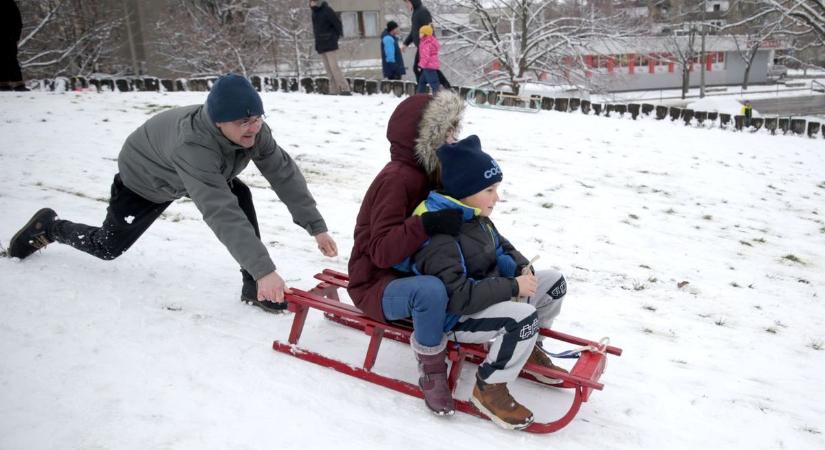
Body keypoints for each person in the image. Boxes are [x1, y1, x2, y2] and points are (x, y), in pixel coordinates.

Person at [6, 74, 338, 313]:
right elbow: (219, 210)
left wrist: (315, 225)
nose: (252, 127)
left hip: (197, 174)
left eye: (256, 118)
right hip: (145, 180)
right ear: (220, 121)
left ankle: (254, 287)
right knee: (107, 247)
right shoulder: (193, 146)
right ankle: (49, 227)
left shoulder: (253, 131)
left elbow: (282, 172)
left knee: (240, 196)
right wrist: (267, 270)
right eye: (242, 122)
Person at [408, 135, 570, 429]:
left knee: (555, 281)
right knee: (522, 318)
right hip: (458, 316)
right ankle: (489, 388)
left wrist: (523, 268)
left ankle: (530, 347)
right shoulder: (439, 230)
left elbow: (502, 248)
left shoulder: (476, 215)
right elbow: (456, 296)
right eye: (490, 189)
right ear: (464, 191)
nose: (497, 197)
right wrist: (512, 287)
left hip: (486, 293)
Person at [347, 90, 466, 416]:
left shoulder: (432, 174)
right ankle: (431, 370)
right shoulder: (397, 179)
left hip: (408, 272)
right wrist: (426, 224)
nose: (454, 139)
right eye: (447, 132)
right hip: (375, 283)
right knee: (431, 291)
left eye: (455, 130)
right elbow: (382, 252)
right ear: (424, 137)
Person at [310, 0, 351, 95]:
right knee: (328, 69)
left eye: (314, 1)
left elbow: (338, 25)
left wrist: (333, 38)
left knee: (334, 67)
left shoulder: (327, 10)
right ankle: (334, 89)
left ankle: (345, 88)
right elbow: (316, 31)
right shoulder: (314, 13)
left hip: (330, 44)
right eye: (311, 1)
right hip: (321, 45)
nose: (312, 3)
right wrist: (317, 44)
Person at [400, 0, 432, 84]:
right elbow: (414, 32)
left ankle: (422, 91)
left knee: (423, 69)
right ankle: (422, 91)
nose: (406, 5)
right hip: (421, 47)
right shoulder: (416, 13)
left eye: (407, 2)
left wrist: (427, 48)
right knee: (420, 69)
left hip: (426, 47)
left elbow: (429, 30)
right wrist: (405, 44)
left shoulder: (422, 12)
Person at [0, 0, 27, 91]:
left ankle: (17, 83)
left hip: (9, 37)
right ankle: (5, 83)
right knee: (8, 59)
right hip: (10, 37)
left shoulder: (10, 4)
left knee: (11, 59)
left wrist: (15, 36)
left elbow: (17, 22)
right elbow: (18, 22)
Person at [416, 25, 440, 94]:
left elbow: (425, 57)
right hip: (430, 65)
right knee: (422, 82)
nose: (419, 34)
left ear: (425, 34)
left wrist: (420, 65)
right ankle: (420, 96)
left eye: (421, 33)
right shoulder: (431, 41)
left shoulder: (426, 43)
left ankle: (438, 97)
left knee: (434, 83)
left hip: (428, 66)